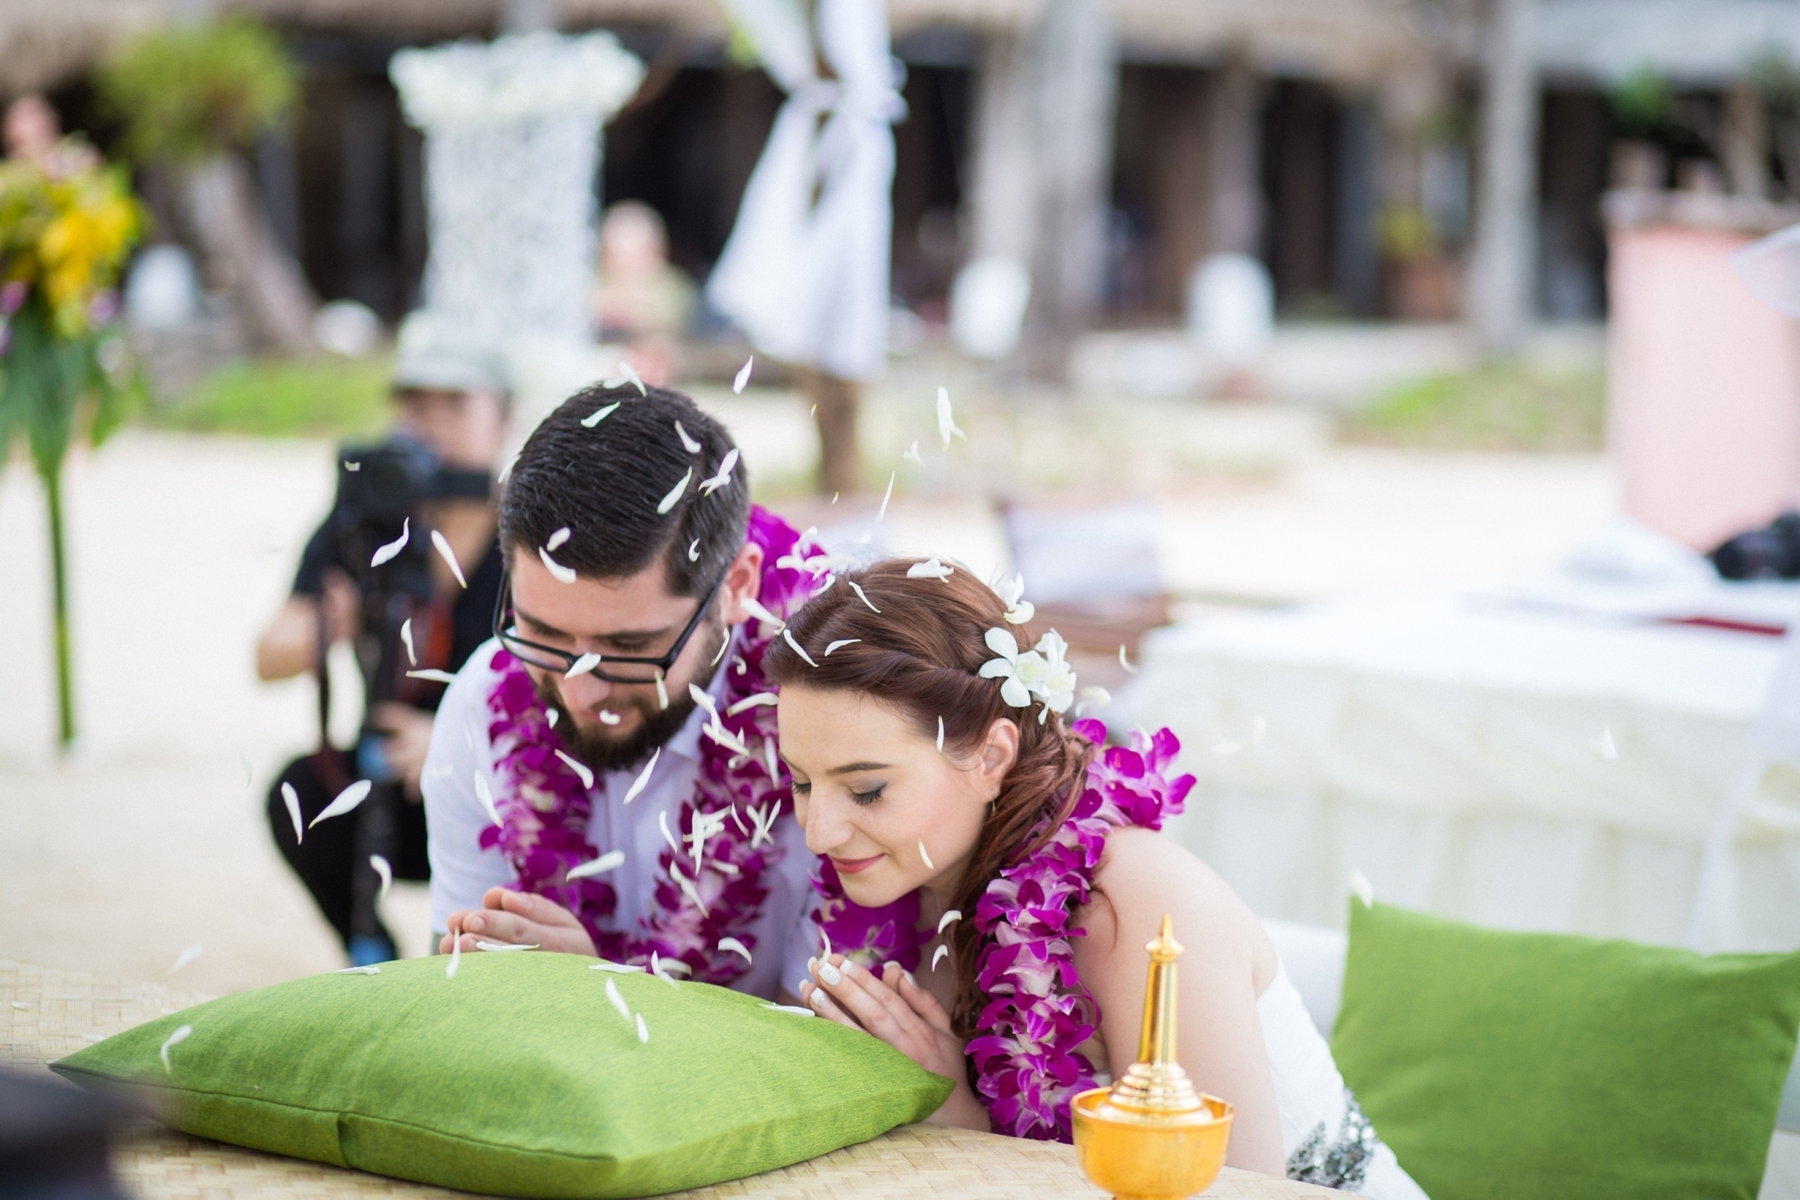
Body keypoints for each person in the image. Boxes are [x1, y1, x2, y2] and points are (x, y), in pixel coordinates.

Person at [767, 561, 1429, 1198]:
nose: (818, 832)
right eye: (800, 780)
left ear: (992, 757)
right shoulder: (900, 882)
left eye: (867, 789)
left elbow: (1227, 1193)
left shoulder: (1136, 906)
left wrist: (961, 1119)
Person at [421, 383, 825, 998]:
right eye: (545, 633)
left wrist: (602, 996)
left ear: (737, 585)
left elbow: (839, 1061)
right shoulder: (483, 701)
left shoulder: (837, 715)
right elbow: (455, 998)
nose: (581, 693)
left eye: (631, 649)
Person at [256, 341, 510, 964]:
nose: (432, 422)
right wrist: (329, 620)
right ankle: (377, 965)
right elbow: (268, 657)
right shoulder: (368, 517)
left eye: (456, 403)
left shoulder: (531, 524)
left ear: (502, 419)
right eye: (414, 402)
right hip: (387, 787)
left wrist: (454, 740)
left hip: (501, 786)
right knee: (298, 796)